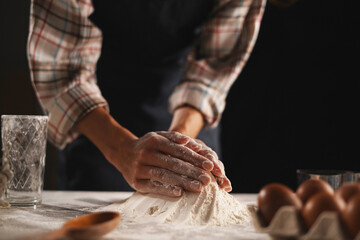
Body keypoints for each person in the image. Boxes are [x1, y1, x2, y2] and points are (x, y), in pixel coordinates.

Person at [27, 0, 265, 196]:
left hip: (188, 110)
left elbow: (211, 69)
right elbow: (61, 68)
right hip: (95, 119)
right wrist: (122, 149)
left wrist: (176, 146)